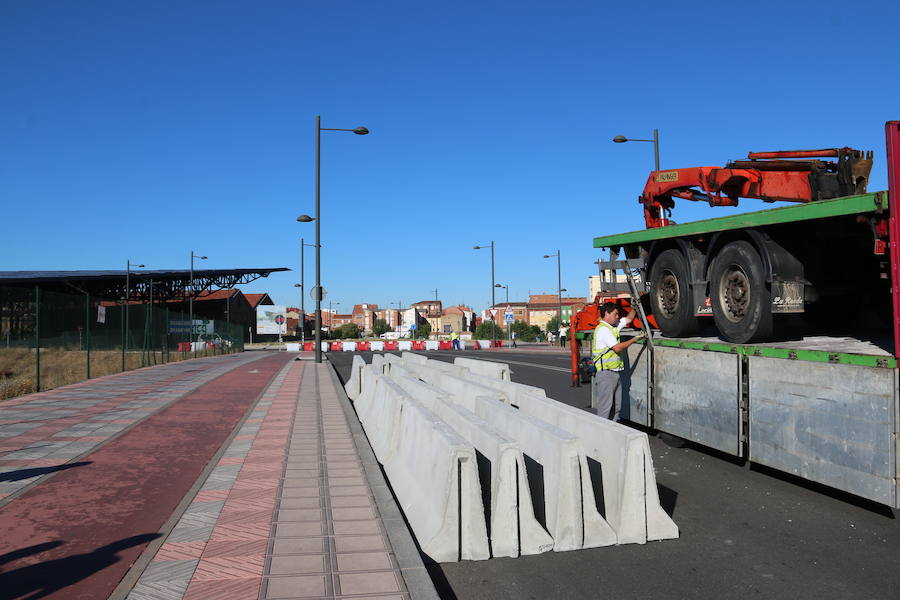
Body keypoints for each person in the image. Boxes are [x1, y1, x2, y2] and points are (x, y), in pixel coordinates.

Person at [592, 302, 643, 421]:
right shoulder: (603, 330)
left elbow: (629, 319)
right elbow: (617, 348)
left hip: (614, 373)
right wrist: (634, 340)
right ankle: (601, 431)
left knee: (616, 408)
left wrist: (634, 307)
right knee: (605, 409)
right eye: (615, 314)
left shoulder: (613, 327)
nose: (617, 316)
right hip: (606, 374)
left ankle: (613, 430)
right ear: (607, 313)